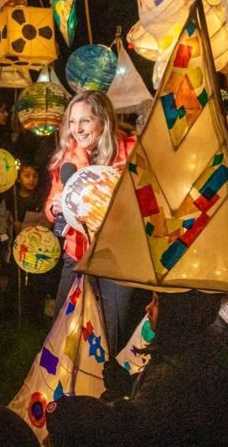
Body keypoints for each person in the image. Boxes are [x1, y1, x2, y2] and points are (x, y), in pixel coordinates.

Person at [46, 291, 228, 447]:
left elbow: (139, 430)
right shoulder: (201, 348)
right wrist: (127, 383)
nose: (148, 308)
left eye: (157, 302)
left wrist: (111, 405)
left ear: (177, 312)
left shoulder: (170, 375)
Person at [46, 90, 137, 395]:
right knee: (62, 326)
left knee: (110, 335)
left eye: (85, 120)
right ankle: (58, 394)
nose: (78, 128)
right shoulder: (69, 158)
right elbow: (51, 201)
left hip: (118, 258)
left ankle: (104, 399)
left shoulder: (132, 152)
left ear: (104, 120)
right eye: (73, 121)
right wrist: (56, 206)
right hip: (78, 255)